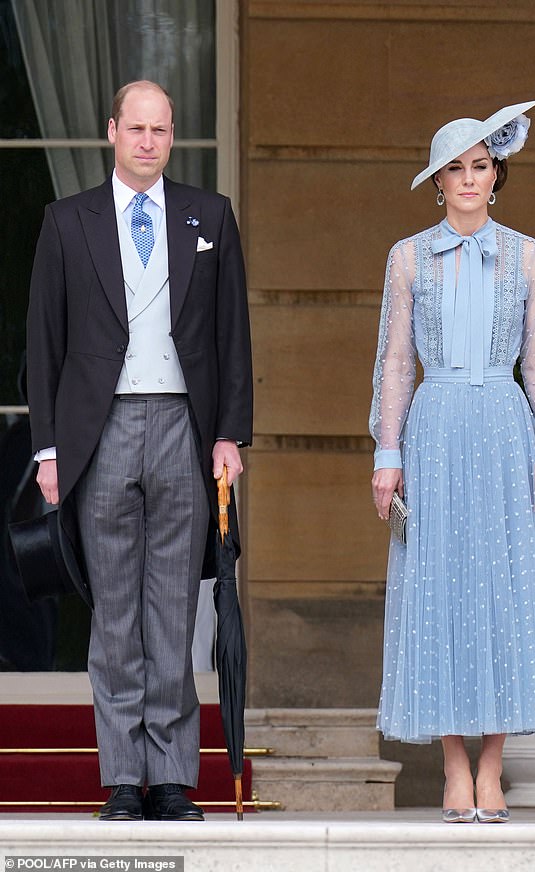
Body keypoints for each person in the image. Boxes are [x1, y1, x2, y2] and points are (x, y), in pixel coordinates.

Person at [27, 80, 252, 821]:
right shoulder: (67, 222)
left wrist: (228, 433)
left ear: (172, 133)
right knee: (114, 612)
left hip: (185, 428)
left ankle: (172, 779)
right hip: (102, 430)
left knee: (174, 611)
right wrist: (49, 450)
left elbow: (231, 338)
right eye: (137, 129)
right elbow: (45, 341)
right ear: (112, 130)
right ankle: (123, 777)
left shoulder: (209, 214)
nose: (149, 142)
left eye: (161, 130)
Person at [369, 101, 535, 823]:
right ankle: (453, 766)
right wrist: (386, 452)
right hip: (434, 431)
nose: (469, 179)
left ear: (497, 174)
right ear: (437, 182)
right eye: (454, 169)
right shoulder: (407, 257)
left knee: (505, 593)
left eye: (480, 165)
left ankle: (492, 766)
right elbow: (396, 362)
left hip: (505, 429)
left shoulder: (528, 253)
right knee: (436, 590)